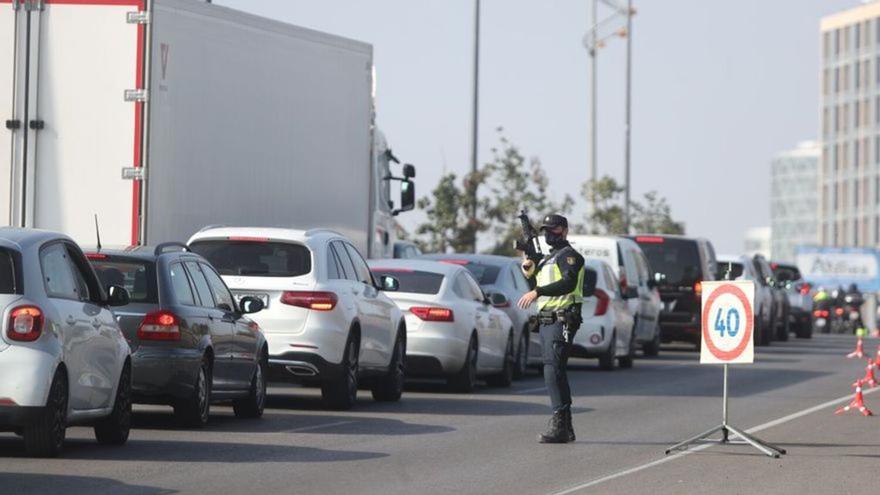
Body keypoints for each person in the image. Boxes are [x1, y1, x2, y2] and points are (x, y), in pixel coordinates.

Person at [518, 213, 585, 444]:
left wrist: (538, 291)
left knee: (554, 369)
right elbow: (536, 287)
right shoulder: (547, 259)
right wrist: (528, 272)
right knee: (551, 369)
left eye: (553, 229)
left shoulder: (570, 257)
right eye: (545, 229)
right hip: (547, 320)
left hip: (563, 318)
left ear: (564, 230)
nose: (548, 233)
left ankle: (561, 424)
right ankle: (564, 426)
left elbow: (568, 282)